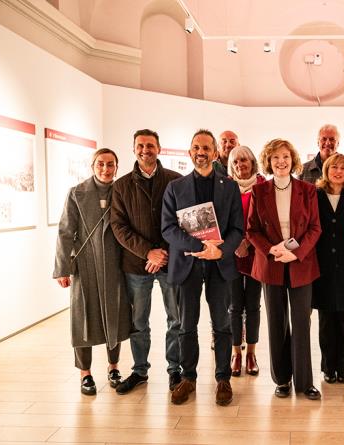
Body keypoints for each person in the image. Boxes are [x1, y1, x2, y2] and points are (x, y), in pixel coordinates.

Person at [161, 129, 243, 406]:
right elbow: (168, 228)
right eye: (196, 147)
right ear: (190, 152)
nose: (201, 152)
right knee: (186, 325)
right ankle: (189, 378)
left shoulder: (229, 186)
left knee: (222, 324)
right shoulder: (175, 187)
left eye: (206, 147)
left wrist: (218, 250)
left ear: (215, 152)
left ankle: (223, 378)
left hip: (220, 263)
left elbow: (238, 228)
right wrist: (200, 248)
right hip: (188, 264)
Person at [246, 138, 322, 400]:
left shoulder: (307, 190)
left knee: (301, 322)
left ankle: (305, 382)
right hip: (272, 264)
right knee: (277, 323)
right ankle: (281, 380)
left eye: (286, 157)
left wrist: (296, 253)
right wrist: (270, 249)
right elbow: (252, 230)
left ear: (293, 160)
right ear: (269, 161)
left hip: (301, 264)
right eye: (276, 157)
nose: (281, 162)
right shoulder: (259, 191)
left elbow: (315, 228)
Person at [53, 148, 132, 395]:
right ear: (92, 166)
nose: (105, 169)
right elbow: (65, 232)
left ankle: (114, 367)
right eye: (100, 164)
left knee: (115, 315)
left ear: (117, 167)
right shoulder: (76, 193)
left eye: (110, 165)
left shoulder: (123, 191)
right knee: (82, 318)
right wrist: (62, 269)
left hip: (116, 264)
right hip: (85, 264)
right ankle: (85, 374)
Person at [110, 129, 182, 395]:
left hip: (170, 263)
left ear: (159, 149)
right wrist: (148, 252)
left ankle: (175, 370)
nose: (145, 150)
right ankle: (140, 370)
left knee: (176, 319)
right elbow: (119, 227)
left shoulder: (176, 181)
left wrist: (163, 252)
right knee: (138, 322)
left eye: (150, 145)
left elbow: (183, 223)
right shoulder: (121, 185)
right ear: (133, 149)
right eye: (140, 146)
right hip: (136, 266)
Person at [312, 153, 344, 384]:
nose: (338, 171)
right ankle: (327, 368)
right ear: (326, 170)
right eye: (334, 167)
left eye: (343, 168)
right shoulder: (315, 195)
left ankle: (343, 367)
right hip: (322, 265)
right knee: (325, 320)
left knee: (343, 319)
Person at [227, 145, 265, 377]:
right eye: (236, 163)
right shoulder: (226, 187)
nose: (240, 166)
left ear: (252, 162)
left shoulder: (263, 187)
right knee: (234, 307)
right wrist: (235, 244)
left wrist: (248, 243)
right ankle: (236, 353)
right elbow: (222, 220)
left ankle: (251, 352)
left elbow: (266, 221)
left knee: (252, 305)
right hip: (231, 255)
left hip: (256, 254)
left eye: (244, 161)